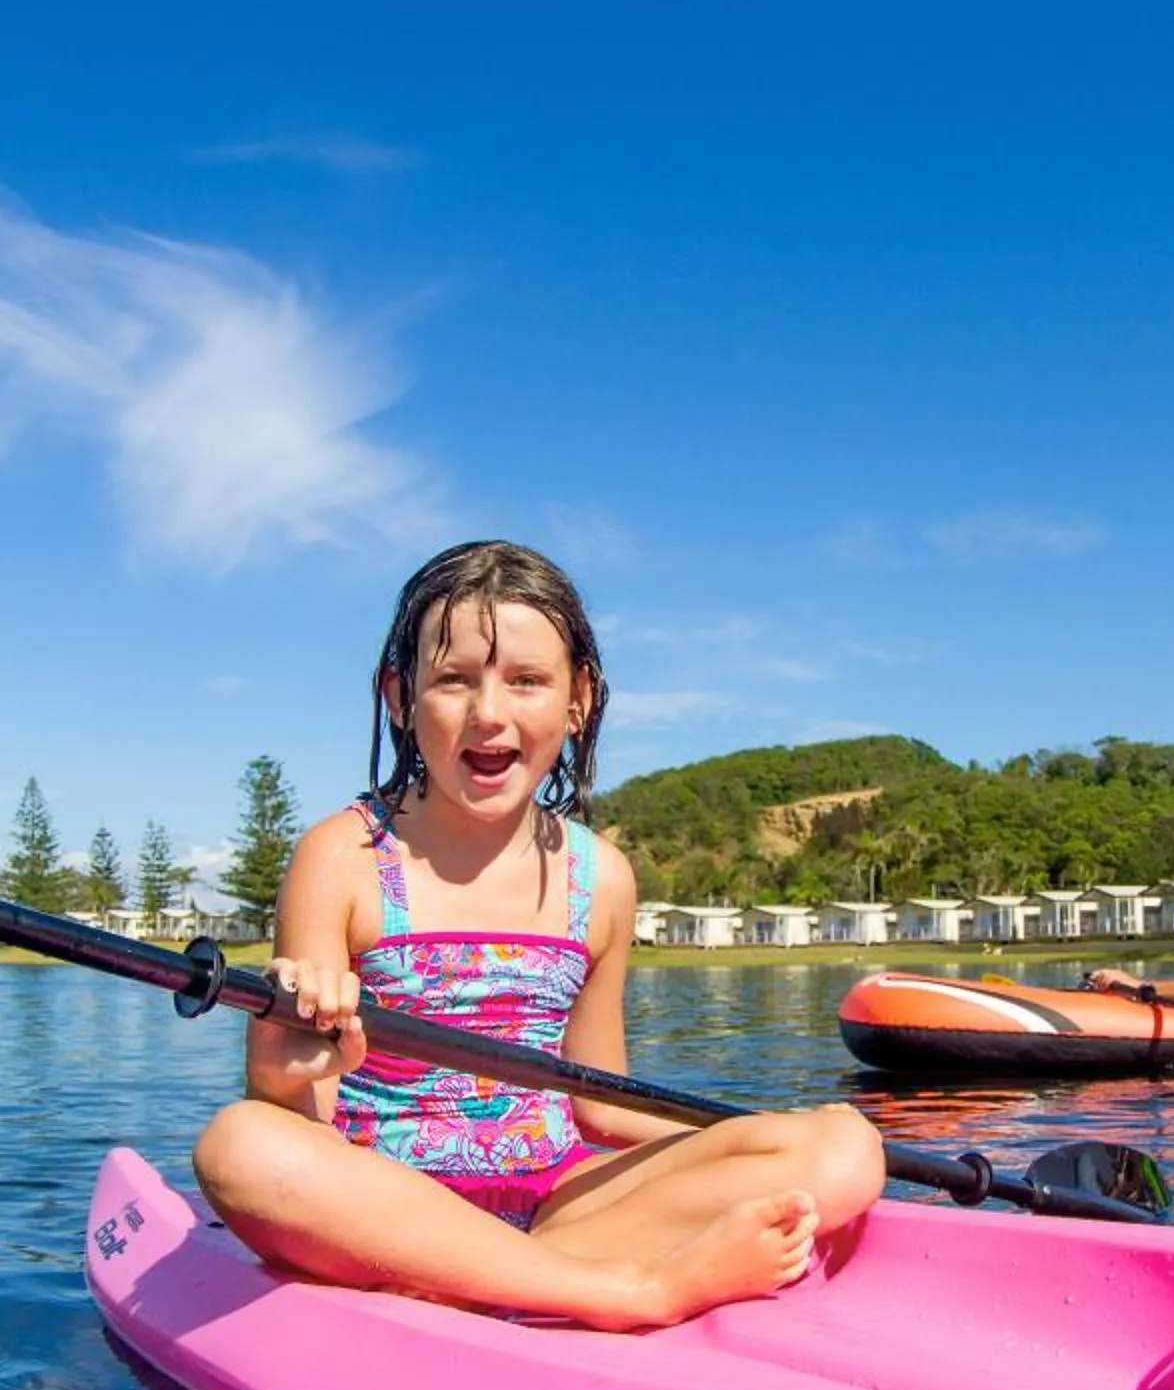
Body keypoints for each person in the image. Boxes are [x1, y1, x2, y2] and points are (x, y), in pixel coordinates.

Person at [191, 540, 885, 1332]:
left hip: (559, 1204)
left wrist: (753, 1135)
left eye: (527, 680)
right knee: (239, 1145)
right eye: (454, 680)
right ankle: (632, 1291)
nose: (490, 712)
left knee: (843, 1147)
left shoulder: (603, 879)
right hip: (385, 1206)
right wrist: (287, 1072)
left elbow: (603, 1105)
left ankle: (486, 1281)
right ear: (399, 695)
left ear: (578, 698)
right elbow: (287, 1113)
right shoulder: (340, 857)